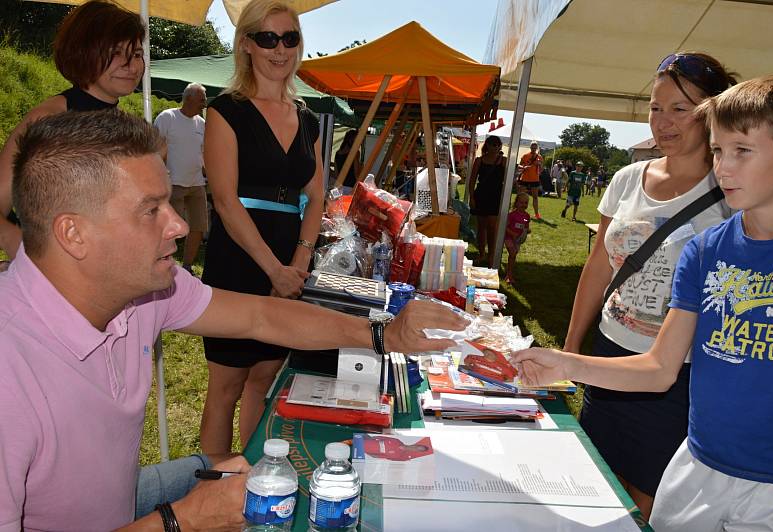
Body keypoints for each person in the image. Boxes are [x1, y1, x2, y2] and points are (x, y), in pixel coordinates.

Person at [0, 109, 466, 530]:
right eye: (150, 210)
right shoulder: (9, 368)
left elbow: (261, 315)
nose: (179, 226)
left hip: (120, 501)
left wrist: (383, 333)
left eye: (170, 203)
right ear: (73, 233)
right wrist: (177, 522)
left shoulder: (141, 286)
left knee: (264, 477)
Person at [513, 74, 773, 531]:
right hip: (699, 471)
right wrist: (568, 363)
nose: (723, 168)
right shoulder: (705, 250)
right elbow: (659, 367)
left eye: (742, 151)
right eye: (719, 150)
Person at [556, 52, 737, 518]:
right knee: (596, 477)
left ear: (712, 112)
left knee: (647, 498)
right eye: (656, 108)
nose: (664, 122)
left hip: (679, 374)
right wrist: (574, 346)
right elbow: (598, 267)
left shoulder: (732, 191)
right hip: (611, 352)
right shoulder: (626, 179)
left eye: (681, 109)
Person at [200, 0, 326, 456]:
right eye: (268, 38)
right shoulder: (225, 110)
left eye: (289, 38)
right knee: (227, 384)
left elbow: (317, 196)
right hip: (238, 259)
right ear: (247, 45)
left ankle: (251, 477)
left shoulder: (308, 118)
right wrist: (274, 269)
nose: (280, 49)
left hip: (289, 265)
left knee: (264, 378)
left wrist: (299, 261)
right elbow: (225, 201)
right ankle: (212, 485)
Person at [0, 0, 144, 265]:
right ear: (83, 52)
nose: (131, 65)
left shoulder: (132, 128)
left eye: (135, 54)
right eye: (116, 53)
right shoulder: (48, 118)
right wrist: (25, 252)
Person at [154, 83, 209, 274]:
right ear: (189, 98)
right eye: (202, 98)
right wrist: (162, 176)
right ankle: (160, 262)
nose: (205, 102)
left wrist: (207, 173)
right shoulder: (168, 117)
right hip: (173, 182)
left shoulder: (201, 124)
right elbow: (157, 148)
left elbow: (203, 153)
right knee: (169, 230)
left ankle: (186, 267)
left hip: (197, 184)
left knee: (199, 227)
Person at [468, 135, 506, 266]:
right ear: (487, 145)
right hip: (481, 196)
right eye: (493, 144)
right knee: (481, 227)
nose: (496, 147)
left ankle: (491, 256)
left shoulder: (504, 161)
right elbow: (472, 181)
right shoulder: (479, 160)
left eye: (498, 145)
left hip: (496, 197)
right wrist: (471, 197)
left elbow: (509, 182)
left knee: (492, 228)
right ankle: (482, 254)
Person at [503, 192, 531, 285]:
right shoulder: (512, 215)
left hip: (518, 240)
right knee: (513, 253)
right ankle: (509, 276)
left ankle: (509, 271)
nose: (524, 205)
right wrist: (512, 233)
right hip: (508, 238)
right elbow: (505, 227)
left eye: (526, 203)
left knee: (513, 256)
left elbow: (525, 226)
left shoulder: (527, 216)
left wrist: (527, 231)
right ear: (516, 203)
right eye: (521, 202)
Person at [517, 141, 543, 219]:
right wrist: (523, 167)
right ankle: (517, 211)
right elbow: (519, 165)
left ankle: (536, 214)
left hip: (535, 179)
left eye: (535, 147)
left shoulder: (540, 157)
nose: (534, 149)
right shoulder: (525, 156)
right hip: (525, 178)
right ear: (530, 147)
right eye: (532, 147)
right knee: (521, 196)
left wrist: (539, 164)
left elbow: (541, 170)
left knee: (535, 197)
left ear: (537, 148)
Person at [335, 128, 362, 194]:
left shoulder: (338, 153)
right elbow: (356, 173)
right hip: (351, 188)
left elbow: (336, 174)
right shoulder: (355, 153)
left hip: (339, 187)